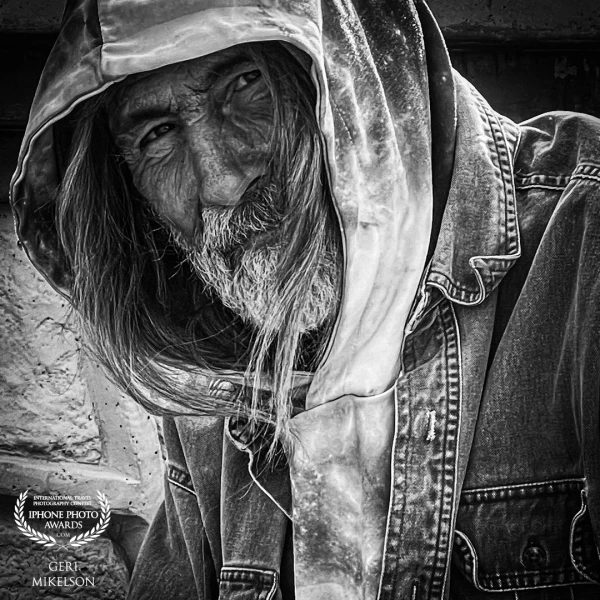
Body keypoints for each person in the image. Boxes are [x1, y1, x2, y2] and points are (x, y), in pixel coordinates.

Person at [9, 0, 600, 598]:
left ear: (355, 75)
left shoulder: (582, 239)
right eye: (157, 133)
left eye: (246, 86)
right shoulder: (211, 367)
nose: (220, 182)